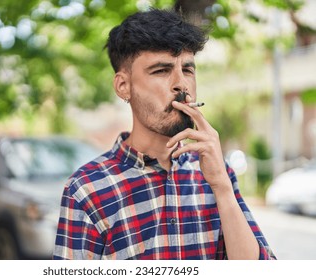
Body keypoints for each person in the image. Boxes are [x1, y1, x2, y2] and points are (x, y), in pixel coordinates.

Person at [53, 8, 276, 260]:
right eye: (161, 70)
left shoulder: (217, 173)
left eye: (188, 70)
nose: (181, 84)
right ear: (123, 86)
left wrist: (222, 187)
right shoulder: (85, 189)